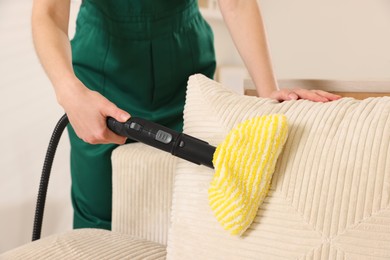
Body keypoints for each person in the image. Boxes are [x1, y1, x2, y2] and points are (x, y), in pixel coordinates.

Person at [31, 0, 340, 230]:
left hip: (185, 69)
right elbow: (48, 13)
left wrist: (267, 92)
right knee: (99, 213)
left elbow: (236, 3)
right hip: (101, 77)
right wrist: (69, 92)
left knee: (202, 203)